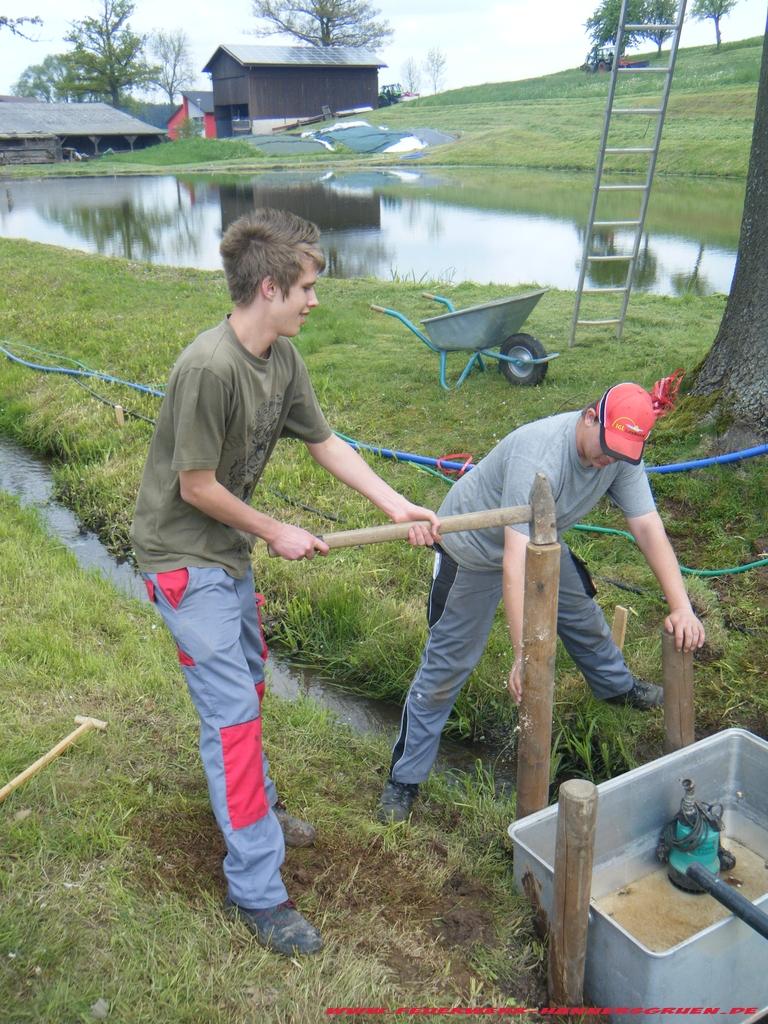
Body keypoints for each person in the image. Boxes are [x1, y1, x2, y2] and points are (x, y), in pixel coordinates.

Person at [131, 208, 439, 956]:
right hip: (181, 557)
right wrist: (276, 529)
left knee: (253, 682)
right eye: (306, 286)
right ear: (269, 287)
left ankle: (256, 810)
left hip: (226, 552)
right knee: (233, 719)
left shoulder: (283, 361)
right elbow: (197, 485)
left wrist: (396, 505)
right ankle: (258, 892)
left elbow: (326, 443)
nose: (314, 299)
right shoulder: (209, 367)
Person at [378, 382, 706, 824]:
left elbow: (647, 527)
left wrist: (681, 605)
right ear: (591, 416)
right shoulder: (540, 455)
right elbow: (514, 565)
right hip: (472, 550)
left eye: (622, 453)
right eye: (606, 447)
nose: (608, 460)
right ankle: (404, 780)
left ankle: (616, 687)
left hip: (543, 540)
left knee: (583, 614)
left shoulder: (622, 456)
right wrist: (522, 656)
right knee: (446, 668)